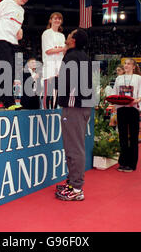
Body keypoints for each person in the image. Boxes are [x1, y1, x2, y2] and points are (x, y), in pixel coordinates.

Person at [55, 28, 93, 201]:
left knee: (73, 148)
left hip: (74, 107)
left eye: (70, 34)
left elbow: (65, 83)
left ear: (73, 40)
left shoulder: (71, 57)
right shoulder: (83, 56)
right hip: (82, 106)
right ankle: (72, 183)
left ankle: (76, 188)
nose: (67, 36)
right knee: (74, 146)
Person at [111, 58, 141, 173]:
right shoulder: (118, 78)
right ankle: (123, 162)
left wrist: (135, 101)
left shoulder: (137, 78)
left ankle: (132, 163)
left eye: (128, 64)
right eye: (125, 63)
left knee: (133, 136)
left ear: (133, 66)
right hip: (121, 109)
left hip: (133, 109)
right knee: (122, 136)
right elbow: (114, 94)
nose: (126, 65)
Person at [41, 12, 66, 109]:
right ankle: (46, 113)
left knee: (57, 94)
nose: (57, 20)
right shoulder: (46, 33)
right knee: (48, 94)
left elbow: (63, 52)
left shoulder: (62, 36)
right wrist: (63, 49)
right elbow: (48, 51)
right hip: (49, 67)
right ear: (50, 20)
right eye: (55, 18)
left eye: (59, 19)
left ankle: (54, 113)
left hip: (59, 67)